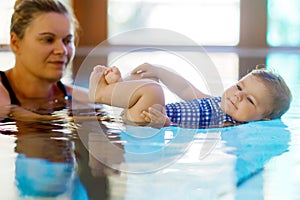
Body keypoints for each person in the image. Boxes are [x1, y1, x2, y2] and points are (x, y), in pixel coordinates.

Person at [89, 63, 292, 129]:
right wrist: (159, 71)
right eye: (239, 87)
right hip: (145, 112)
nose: (238, 96)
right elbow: (185, 89)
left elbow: (189, 130)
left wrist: (164, 123)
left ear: (264, 118)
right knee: (148, 80)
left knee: (153, 90)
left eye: (250, 100)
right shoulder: (215, 102)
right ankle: (120, 88)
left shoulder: (228, 125)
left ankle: (102, 93)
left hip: (149, 120)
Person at [0, 0, 88, 120]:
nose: (62, 50)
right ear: (16, 43)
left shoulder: (81, 98)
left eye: (67, 41)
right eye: (48, 40)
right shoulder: (2, 92)